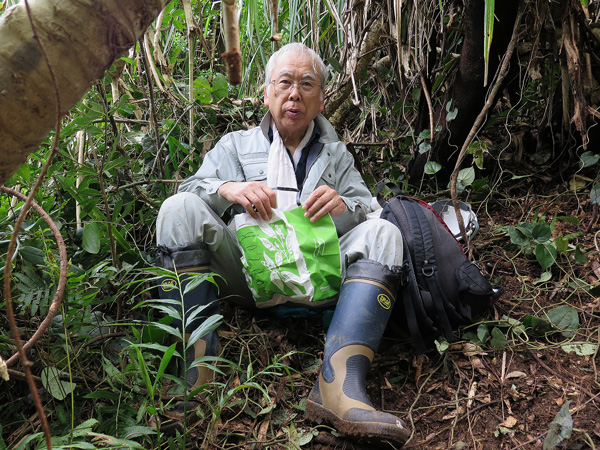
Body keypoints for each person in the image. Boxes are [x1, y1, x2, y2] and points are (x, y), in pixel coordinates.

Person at [155, 42, 410, 446]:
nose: (295, 94)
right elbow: (192, 188)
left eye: (307, 84)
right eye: (285, 82)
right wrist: (230, 187)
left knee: (386, 233)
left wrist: (344, 205)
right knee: (177, 208)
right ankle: (197, 372)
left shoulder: (336, 154)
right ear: (267, 92)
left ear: (322, 98)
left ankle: (338, 388)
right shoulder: (235, 147)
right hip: (246, 276)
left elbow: (369, 207)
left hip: (320, 277)